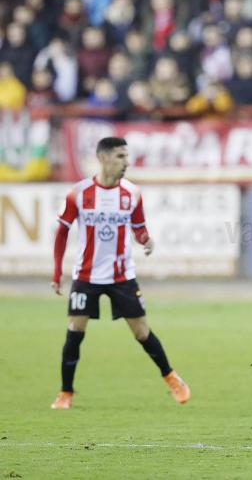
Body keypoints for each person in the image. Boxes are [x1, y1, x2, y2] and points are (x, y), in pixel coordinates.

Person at [49, 137, 190, 410]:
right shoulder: (78, 193)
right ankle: (65, 393)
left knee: (141, 332)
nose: (126, 162)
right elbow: (63, 230)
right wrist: (57, 272)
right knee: (74, 331)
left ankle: (172, 377)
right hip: (87, 275)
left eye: (127, 156)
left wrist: (146, 239)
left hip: (122, 275)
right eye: (120, 157)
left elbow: (138, 228)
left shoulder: (131, 194)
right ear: (103, 158)